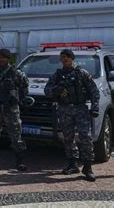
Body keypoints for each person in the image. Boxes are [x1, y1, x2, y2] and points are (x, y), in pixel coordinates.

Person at [44, 49, 100, 182]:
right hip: (64, 109)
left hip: (80, 109)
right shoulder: (57, 75)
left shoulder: (82, 73)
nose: (64, 59)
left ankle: (87, 167)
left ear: (72, 58)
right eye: (62, 57)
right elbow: (47, 91)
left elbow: (94, 91)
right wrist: (57, 90)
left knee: (85, 137)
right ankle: (72, 163)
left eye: (67, 57)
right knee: (68, 138)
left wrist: (95, 107)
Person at [0, 48, 29, 171]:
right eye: (0, 57)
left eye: (4, 57)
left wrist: (18, 98)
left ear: (8, 59)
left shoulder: (15, 72)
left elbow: (25, 86)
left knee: (15, 135)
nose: (1, 59)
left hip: (11, 109)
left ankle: (19, 161)